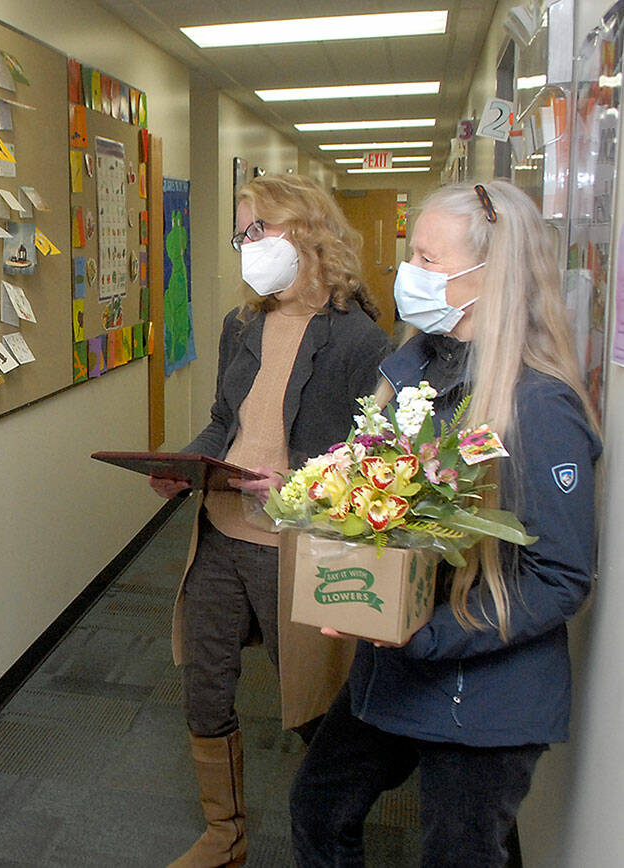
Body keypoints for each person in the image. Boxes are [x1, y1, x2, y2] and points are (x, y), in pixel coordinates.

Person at [289, 180, 601, 867]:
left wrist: (427, 632)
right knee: (317, 805)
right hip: (396, 666)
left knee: (462, 852)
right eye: (412, 255)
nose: (408, 274)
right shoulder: (413, 376)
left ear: (492, 277)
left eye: (429, 261)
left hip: (482, 687)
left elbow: (562, 575)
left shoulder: (538, 408)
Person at [154, 174, 392, 868]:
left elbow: (372, 460)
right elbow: (226, 423)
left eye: (260, 230)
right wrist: (185, 466)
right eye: (242, 235)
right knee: (204, 682)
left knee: (315, 706)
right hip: (223, 534)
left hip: (294, 547)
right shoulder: (242, 326)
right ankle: (224, 835)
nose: (248, 246)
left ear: (309, 230)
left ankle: (330, 833)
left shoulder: (361, 342)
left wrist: (300, 484)